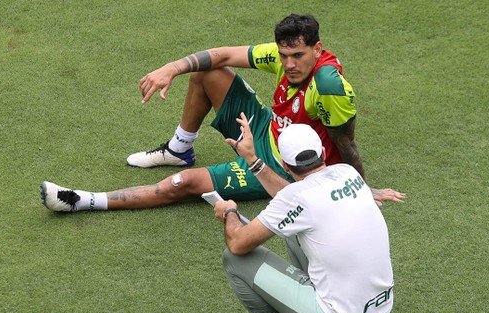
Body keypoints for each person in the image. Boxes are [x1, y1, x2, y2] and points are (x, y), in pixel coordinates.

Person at [40, 14, 404, 213]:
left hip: (282, 167)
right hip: (263, 129)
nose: (289, 64)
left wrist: (361, 190)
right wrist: (171, 67)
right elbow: (223, 56)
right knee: (206, 72)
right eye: (283, 55)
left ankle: (84, 201)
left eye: (298, 56)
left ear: (317, 48)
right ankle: (179, 148)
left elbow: (347, 144)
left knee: (184, 185)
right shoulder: (281, 59)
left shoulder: (328, 86)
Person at [212, 123, 394, 313]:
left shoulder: (297, 198)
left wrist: (229, 212)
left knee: (234, 259)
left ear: (285, 166)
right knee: (293, 232)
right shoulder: (347, 173)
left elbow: (238, 243)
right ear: (322, 152)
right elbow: (298, 200)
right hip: (381, 312)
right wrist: (252, 161)